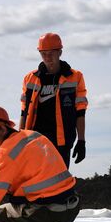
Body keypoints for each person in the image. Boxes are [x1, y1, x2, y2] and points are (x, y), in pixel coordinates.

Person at [20, 33, 88, 168]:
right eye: (43, 53)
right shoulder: (30, 78)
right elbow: (24, 111)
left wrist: (81, 141)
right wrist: (18, 140)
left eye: (51, 53)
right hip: (34, 140)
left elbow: (80, 112)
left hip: (62, 141)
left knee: (59, 183)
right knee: (36, 182)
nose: (47, 57)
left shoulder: (75, 77)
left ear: (60, 52)